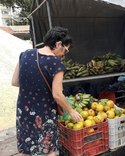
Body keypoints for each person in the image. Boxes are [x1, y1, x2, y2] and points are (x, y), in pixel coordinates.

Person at [11, 26, 83, 156]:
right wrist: (71, 111)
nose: (63, 55)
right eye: (65, 50)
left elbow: (15, 82)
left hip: (24, 112)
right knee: (49, 150)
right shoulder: (56, 63)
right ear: (58, 44)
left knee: (27, 149)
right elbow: (57, 94)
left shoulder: (25, 54)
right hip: (44, 114)